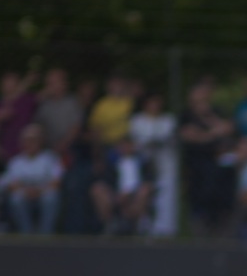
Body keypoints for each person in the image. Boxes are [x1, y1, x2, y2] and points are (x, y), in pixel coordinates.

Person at [179, 81, 234, 234]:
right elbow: (190, 136)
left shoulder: (216, 112)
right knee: (199, 208)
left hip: (219, 171)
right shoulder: (186, 115)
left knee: (221, 207)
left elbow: (228, 128)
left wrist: (208, 120)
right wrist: (214, 133)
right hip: (197, 169)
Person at [0, 123, 62, 234]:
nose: (30, 143)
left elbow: (56, 182)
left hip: (43, 195)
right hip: (24, 196)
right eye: (27, 140)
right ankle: (26, 233)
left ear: (40, 141)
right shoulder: (16, 162)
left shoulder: (50, 158)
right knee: (16, 199)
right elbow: (5, 183)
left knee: (51, 198)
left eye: (33, 140)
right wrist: (25, 191)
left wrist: (39, 191)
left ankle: (45, 235)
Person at [129, 91, 177, 236]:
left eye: (157, 102)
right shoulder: (137, 120)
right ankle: (142, 226)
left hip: (165, 165)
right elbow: (135, 143)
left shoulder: (168, 120)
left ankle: (165, 230)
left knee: (166, 196)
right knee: (144, 192)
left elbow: (169, 139)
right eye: (152, 102)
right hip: (144, 165)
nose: (155, 106)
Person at [34, 68, 82, 160]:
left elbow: (76, 127)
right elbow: (37, 126)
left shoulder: (72, 102)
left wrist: (62, 145)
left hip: (70, 148)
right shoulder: (43, 104)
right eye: (49, 83)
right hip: (46, 149)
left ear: (64, 84)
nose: (51, 86)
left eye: (55, 82)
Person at [0, 72, 37, 162]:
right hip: (4, 153)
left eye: (13, 83)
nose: (10, 86)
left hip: (26, 153)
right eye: (7, 83)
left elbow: (43, 96)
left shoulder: (26, 100)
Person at [88, 75, 134, 146]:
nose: (117, 87)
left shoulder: (128, 101)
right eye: (114, 84)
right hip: (107, 142)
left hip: (125, 140)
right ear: (108, 87)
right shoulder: (101, 104)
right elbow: (95, 127)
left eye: (119, 84)